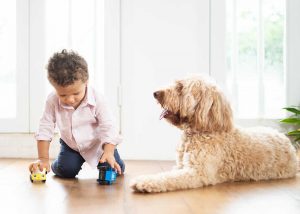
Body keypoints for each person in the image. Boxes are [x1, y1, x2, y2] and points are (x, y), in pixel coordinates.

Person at [28, 49, 125, 178]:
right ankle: (59, 164)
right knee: (66, 171)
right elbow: (45, 127)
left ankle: (110, 156)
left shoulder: (98, 99)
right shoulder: (52, 100)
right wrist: (43, 158)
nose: (70, 100)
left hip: (98, 145)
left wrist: (108, 151)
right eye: (62, 94)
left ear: (86, 82)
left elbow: (109, 126)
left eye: (76, 93)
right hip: (71, 147)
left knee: (116, 169)